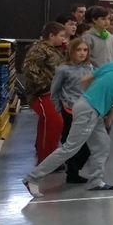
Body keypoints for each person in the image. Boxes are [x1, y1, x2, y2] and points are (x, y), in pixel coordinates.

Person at [23, 42, 113, 197]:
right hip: (90, 110)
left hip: (87, 106)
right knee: (70, 148)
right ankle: (33, 178)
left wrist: (89, 96)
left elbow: (84, 80)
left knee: (102, 144)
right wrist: (110, 118)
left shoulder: (110, 65)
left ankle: (95, 181)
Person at [22, 22, 67, 165]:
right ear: (51, 35)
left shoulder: (55, 49)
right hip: (40, 93)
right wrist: (44, 86)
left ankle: (45, 153)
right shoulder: (39, 49)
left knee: (47, 122)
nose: (63, 39)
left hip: (52, 92)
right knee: (55, 121)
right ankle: (48, 160)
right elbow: (29, 69)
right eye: (61, 36)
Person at [51, 37, 94, 184]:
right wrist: (58, 110)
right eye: (78, 50)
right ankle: (72, 172)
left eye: (85, 50)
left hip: (85, 109)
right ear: (71, 51)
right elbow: (54, 91)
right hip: (68, 109)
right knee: (69, 142)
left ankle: (75, 167)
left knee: (86, 144)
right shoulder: (63, 69)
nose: (82, 53)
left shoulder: (89, 67)